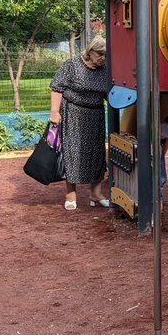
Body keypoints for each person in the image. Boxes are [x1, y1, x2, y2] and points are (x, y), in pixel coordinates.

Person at [49, 36, 111, 210]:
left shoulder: (105, 69)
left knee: (96, 153)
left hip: (96, 114)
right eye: (100, 54)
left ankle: (96, 194)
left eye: (105, 55)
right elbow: (57, 87)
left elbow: (109, 92)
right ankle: (71, 195)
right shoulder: (72, 65)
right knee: (73, 152)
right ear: (90, 51)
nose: (102, 58)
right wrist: (54, 111)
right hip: (73, 113)